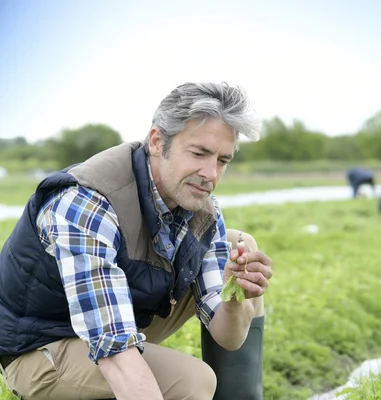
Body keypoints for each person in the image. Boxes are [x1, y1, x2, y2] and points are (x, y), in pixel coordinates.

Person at [0, 82, 273, 400]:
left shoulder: (204, 212)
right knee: (193, 381)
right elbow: (114, 349)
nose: (210, 174)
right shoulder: (85, 203)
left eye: (223, 161)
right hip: (42, 346)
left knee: (240, 244)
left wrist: (234, 295)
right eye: (199, 153)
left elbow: (229, 338)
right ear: (157, 142)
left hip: (116, 318)